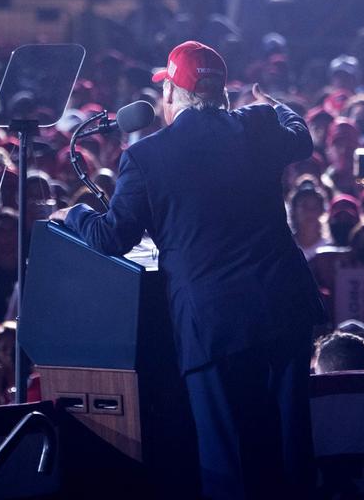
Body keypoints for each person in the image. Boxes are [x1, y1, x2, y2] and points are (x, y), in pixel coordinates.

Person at [53, 41, 324, 499]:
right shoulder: (257, 125)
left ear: (173, 95)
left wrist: (71, 216)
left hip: (214, 326)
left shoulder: (146, 157)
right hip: (283, 313)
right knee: (289, 452)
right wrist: (273, 103)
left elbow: (110, 238)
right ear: (221, 94)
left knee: (229, 463)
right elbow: (301, 134)